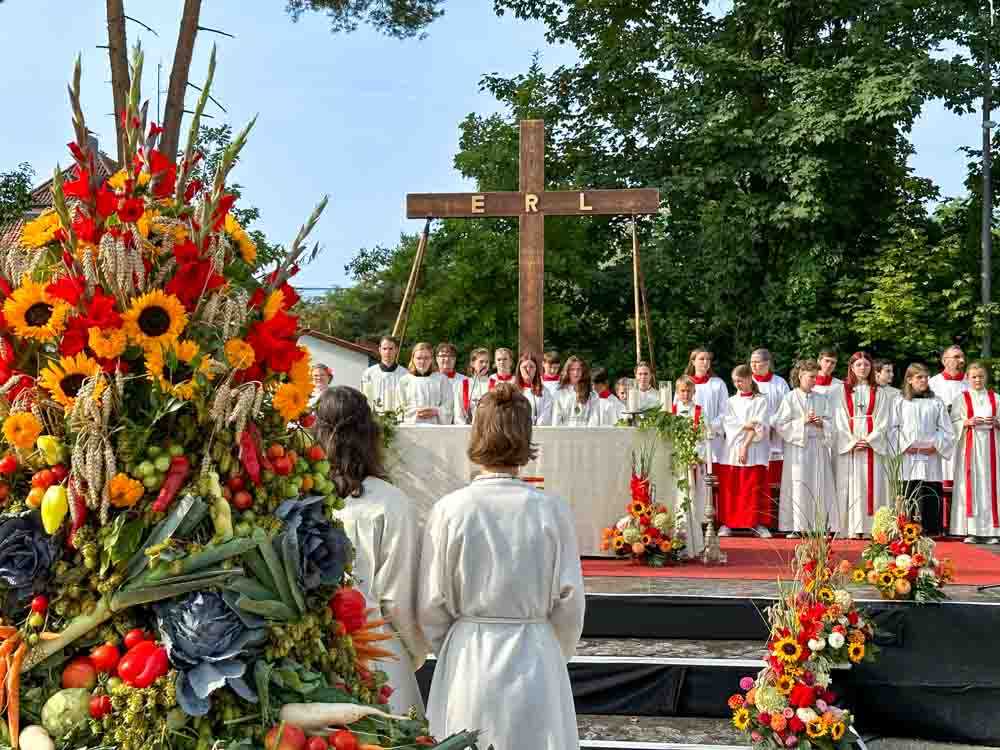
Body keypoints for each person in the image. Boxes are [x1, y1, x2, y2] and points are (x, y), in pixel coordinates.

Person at [418, 384, 585, 750]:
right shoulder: (550, 510)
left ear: (477, 432)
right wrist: (549, 648)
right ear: (526, 436)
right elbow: (570, 604)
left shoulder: (450, 510)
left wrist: (456, 644)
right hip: (535, 656)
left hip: (469, 659)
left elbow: (431, 604)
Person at [313, 386, 428, 714]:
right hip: (376, 650)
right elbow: (399, 598)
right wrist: (413, 653)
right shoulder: (391, 502)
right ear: (369, 436)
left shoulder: (301, 498)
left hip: (312, 651)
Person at [772, 359, 836, 537]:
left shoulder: (822, 398)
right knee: (799, 485)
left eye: (816, 377)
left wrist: (822, 423)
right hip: (798, 449)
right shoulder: (790, 398)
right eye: (811, 377)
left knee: (819, 485)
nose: (814, 380)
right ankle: (798, 526)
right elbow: (780, 424)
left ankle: (819, 526)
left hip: (818, 447)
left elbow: (832, 423)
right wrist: (803, 421)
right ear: (800, 375)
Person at [834, 352, 893, 537]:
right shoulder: (840, 390)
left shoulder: (880, 392)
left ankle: (872, 529)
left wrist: (869, 440)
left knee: (872, 484)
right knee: (850, 483)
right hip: (850, 445)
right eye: (858, 365)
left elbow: (883, 419)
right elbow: (838, 418)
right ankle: (850, 528)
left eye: (866, 365)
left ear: (871, 368)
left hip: (871, 445)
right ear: (851, 367)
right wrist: (852, 441)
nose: (862, 368)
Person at [897, 363, 954, 537]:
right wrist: (906, 445)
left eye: (926, 377)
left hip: (931, 456)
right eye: (919, 377)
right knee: (908, 491)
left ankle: (931, 529)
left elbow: (946, 430)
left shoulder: (936, 402)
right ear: (909, 379)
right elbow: (892, 428)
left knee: (930, 489)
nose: (924, 380)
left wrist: (935, 446)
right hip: (908, 456)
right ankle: (906, 529)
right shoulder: (899, 401)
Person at [949, 361, 1000, 544]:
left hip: (992, 449)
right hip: (969, 448)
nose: (977, 380)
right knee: (970, 485)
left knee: (990, 486)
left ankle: (993, 530)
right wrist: (966, 422)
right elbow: (952, 423)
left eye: (981, 376)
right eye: (974, 377)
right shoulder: (961, 398)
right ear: (968, 378)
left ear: (986, 377)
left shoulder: (996, 398)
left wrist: (997, 422)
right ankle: (970, 530)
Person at [718, 364, 772, 537]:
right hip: (732, 449)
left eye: (740, 381)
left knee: (754, 488)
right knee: (732, 488)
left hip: (754, 449)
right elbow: (728, 424)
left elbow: (759, 425)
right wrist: (746, 425)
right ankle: (727, 523)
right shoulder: (731, 402)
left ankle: (757, 524)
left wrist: (745, 446)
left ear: (749, 379)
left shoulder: (761, 400)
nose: (737, 385)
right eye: (735, 381)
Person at [749, 348, 790, 521]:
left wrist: (771, 423)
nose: (753, 365)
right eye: (751, 362)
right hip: (754, 438)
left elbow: (787, 408)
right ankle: (757, 517)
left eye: (757, 362)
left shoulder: (779, 383)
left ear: (767, 363)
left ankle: (775, 518)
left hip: (775, 437)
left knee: (776, 480)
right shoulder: (748, 381)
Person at [672, 375, 709, 547]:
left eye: (688, 391)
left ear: (694, 392)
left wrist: (695, 456)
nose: (685, 394)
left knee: (693, 498)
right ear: (677, 392)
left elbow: (703, 437)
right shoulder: (671, 411)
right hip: (676, 461)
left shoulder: (699, 411)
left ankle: (695, 535)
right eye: (682, 391)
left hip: (692, 461)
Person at [929, 344, 969, 500]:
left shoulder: (970, 383)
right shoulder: (932, 383)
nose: (962, 360)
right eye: (957, 357)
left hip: (964, 440)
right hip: (941, 441)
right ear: (944, 360)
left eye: (962, 357)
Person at [685, 348, 729, 472]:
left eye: (708, 359)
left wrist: (710, 426)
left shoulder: (718, 384)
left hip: (713, 438)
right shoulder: (685, 384)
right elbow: (679, 409)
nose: (706, 362)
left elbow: (725, 411)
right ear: (693, 362)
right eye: (701, 359)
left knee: (713, 475)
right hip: (691, 438)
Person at [396, 342, 453, 425]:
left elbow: (448, 405)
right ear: (413, 359)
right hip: (411, 427)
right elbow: (399, 407)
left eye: (426, 358)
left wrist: (436, 411)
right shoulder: (404, 381)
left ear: (431, 359)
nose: (422, 361)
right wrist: (416, 413)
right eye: (419, 358)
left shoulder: (442, 379)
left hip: (436, 426)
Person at [361, 336, 405, 415]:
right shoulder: (369, 373)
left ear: (396, 350)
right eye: (384, 349)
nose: (387, 352)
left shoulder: (405, 374)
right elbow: (365, 399)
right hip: (375, 417)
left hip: (398, 417)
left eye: (391, 349)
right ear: (380, 350)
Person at [551, 355, 600, 426]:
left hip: (586, 432)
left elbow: (594, 420)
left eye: (579, 369)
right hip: (565, 432)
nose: (576, 373)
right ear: (567, 371)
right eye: (572, 369)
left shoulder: (592, 394)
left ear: (583, 371)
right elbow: (556, 421)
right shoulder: (559, 394)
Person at [454, 347, 492, 425]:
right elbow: (458, 412)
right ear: (472, 363)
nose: (484, 364)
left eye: (487, 362)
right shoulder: (463, 384)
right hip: (468, 428)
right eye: (481, 362)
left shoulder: (495, 383)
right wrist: (465, 427)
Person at [516, 352, 554, 426]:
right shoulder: (513, 390)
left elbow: (546, 413)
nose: (528, 369)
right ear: (519, 369)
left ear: (536, 369)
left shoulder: (544, 391)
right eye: (524, 367)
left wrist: (536, 427)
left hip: (539, 430)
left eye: (531, 367)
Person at [436, 343, 467, 422]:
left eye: (451, 356)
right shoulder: (431, 380)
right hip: (436, 424)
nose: (447, 359)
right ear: (436, 358)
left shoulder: (464, 380)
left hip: (459, 424)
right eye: (443, 356)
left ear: (455, 359)